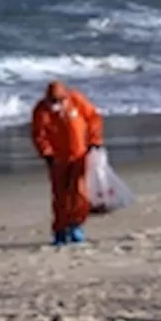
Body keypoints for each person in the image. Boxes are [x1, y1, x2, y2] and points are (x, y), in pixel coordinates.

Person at [31, 81, 104, 246]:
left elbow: (93, 118)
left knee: (79, 193)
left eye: (59, 101)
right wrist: (47, 154)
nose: (56, 105)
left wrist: (95, 141)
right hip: (57, 160)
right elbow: (38, 134)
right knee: (60, 196)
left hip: (79, 155)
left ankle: (75, 226)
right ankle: (60, 231)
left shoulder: (76, 101)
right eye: (52, 101)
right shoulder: (41, 110)